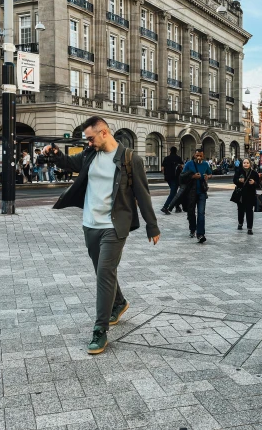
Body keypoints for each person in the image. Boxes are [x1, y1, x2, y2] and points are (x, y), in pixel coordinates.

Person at [43, 116, 160, 355]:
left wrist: (152, 225)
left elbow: (142, 193)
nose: (89, 143)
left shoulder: (130, 159)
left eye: (91, 138)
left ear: (104, 133)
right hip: (90, 224)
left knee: (105, 273)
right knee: (102, 271)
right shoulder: (89, 155)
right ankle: (119, 302)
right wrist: (55, 153)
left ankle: (100, 329)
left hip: (115, 225)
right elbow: (68, 162)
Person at [180, 149, 212, 243]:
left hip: (202, 192)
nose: (199, 157)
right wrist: (193, 176)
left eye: (200, 155)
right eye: (197, 155)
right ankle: (192, 229)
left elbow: (210, 174)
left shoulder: (205, 164)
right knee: (191, 212)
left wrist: (207, 177)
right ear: (194, 155)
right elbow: (182, 176)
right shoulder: (189, 164)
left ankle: (200, 234)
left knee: (201, 213)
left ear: (203, 155)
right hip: (191, 192)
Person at [232, 158, 262, 235]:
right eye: (244, 163)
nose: (246, 164)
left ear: (250, 164)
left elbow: (259, 184)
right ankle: (240, 223)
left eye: (247, 163)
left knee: (249, 210)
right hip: (241, 194)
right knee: (240, 210)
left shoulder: (254, 173)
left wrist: (254, 182)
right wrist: (239, 181)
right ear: (242, 164)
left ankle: (249, 228)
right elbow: (234, 180)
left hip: (250, 194)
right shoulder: (238, 171)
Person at [161, 146, 184, 215]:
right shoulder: (178, 158)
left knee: (174, 192)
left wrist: (165, 174)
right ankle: (165, 207)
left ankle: (177, 207)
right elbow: (182, 167)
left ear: (170, 151)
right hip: (176, 178)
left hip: (168, 178)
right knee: (173, 193)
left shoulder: (166, 158)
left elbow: (162, 168)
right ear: (176, 151)